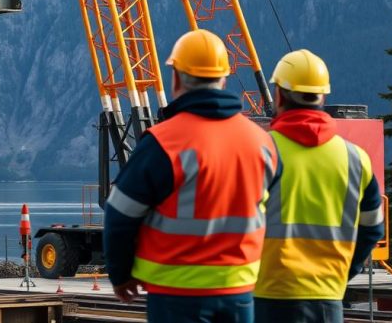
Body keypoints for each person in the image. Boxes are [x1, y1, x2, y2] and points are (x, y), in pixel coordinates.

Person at [104, 29, 281, 323]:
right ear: (224, 80)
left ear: (175, 79)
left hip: (177, 297)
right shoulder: (263, 143)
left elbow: (119, 216)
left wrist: (121, 276)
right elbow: (275, 216)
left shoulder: (163, 143)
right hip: (240, 294)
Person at [253, 49, 384, 323]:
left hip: (268, 299)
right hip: (328, 301)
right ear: (322, 97)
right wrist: (342, 272)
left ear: (278, 95)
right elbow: (373, 229)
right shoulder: (356, 159)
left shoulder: (261, 152)